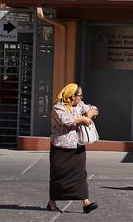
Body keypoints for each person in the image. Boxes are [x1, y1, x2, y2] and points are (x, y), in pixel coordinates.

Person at [47, 83, 99, 214]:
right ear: (71, 96)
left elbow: (94, 108)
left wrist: (90, 113)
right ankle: (52, 202)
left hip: (77, 146)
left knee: (80, 174)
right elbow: (67, 121)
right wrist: (83, 118)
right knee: (58, 175)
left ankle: (86, 202)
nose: (81, 98)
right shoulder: (58, 108)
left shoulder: (79, 105)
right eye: (79, 96)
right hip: (60, 147)